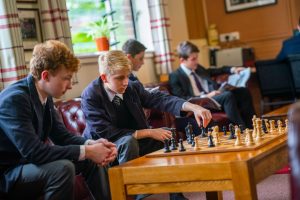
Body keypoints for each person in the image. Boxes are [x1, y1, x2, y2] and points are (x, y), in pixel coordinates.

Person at [81, 50, 212, 200]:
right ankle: (137, 194)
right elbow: (106, 132)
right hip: (105, 146)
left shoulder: (131, 87)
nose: (125, 82)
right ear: (104, 77)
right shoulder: (91, 95)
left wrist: (193, 106)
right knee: (128, 142)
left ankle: (176, 195)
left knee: (167, 135)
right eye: (119, 78)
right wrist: (149, 132)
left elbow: (160, 99)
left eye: (127, 76)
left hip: (133, 139)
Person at [0, 40, 117, 200]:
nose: (70, 86)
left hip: (27, 166)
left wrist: (92, 144)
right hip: (7, 174)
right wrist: (87, 152)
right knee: (63, 168)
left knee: (90, 160)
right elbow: (35, 153)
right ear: (45, 75)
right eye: (66, 78)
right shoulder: (14, 100)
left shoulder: (44, 96)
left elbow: (62, 136)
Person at [169, 41, 255, 128]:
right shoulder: (175, 76)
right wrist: (207, 96)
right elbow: (181, 99)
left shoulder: (198, 68)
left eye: (197, 58)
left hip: (214, 98)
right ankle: (241, 130)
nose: (197, 61)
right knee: (227, 96)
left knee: (243, 91)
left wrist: (233, 69)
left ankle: (252, 126)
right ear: (182, 60)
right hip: (200, 103)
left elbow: (216, 70)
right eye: (193, 59)